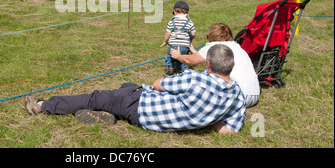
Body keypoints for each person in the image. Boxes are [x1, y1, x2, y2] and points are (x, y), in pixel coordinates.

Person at [25, 44, 246, 134]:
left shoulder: (194, 80)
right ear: (232, 65)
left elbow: (158, 84)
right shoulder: (238, 96)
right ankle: (110, 114)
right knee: (125, 88)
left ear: (208, 64)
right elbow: (229, 131)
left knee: (95, 97)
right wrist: (207, 118)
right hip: (153, 120)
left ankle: (43, 106)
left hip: (140, 106)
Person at [171, 23, 260, 108]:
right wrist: (195, 52)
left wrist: (178, 56)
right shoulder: (237, 47)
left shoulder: (214, 46)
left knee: (205, 75)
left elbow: (189, 60)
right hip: (254, 95)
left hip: (236, 96)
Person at [161, 1, 196, 75]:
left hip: (173, 45)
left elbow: (168, 33)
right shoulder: (189, 22)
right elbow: (193, 33)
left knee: (169, 56)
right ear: (187, 13)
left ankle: (170, 67)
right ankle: (182, 70)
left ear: (174, 11)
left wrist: (165, 41)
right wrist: (190, 39)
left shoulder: (172, 22)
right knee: (183, 58)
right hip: (184, 46)